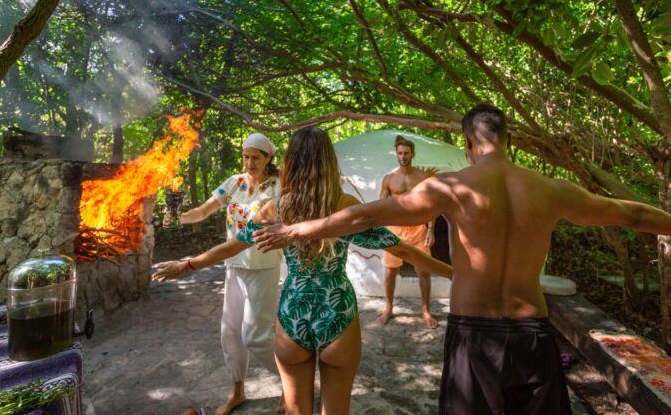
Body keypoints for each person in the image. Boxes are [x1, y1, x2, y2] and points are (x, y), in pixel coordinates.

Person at [253, 104, 671, 415]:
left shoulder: (452, 187)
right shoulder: (550, 189)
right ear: (506, 139)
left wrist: (297, 229)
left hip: (474, 336)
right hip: (532, 333)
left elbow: (369, 214)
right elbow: (632, 214)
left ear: (469, 144)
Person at [154, 126, 452, 415]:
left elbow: (232, 246)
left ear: (291, 163)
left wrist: (187, 265)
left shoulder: (276, 208)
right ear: (329, 163)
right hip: (337, 312)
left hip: (293, 313)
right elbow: (401, 249)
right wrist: (455, 274)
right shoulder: (344, 204)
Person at [164, 132, 284, 415]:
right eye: (245, 157)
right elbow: (203, 211)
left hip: (263, 266)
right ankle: (237, 391)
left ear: (268, 157)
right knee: (229, 332)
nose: (249, 162)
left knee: (257, 336)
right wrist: (178, 216)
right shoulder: (234, 183)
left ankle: (289, 384)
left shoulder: (279, 185)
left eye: (255, 157)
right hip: (233, 265)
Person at [378, 135, 440, 328]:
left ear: (413, 154)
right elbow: (380, 206)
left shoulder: (423, 178)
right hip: (395, 230)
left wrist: (431, 230)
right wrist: (380, 231)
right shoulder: (389, 179)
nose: (402, 157)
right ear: (396, 154)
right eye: (399, 153)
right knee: (390, 272)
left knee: (424, 271)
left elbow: (431, 205)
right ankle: (388, 308)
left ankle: (425, 310)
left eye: (406, 153)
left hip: (418, 230)